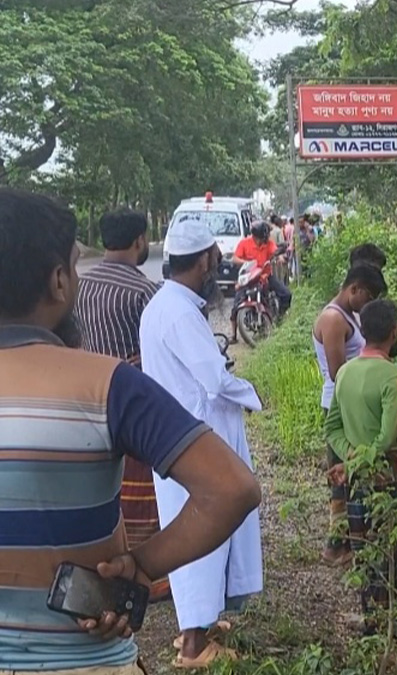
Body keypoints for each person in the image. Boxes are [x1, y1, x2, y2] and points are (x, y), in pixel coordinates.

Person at [0, 189, 260, 674]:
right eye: (75, 265)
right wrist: (142, 566)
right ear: (59, 281)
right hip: (83, 661)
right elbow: (233, 488)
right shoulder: (110, 384)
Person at [141, 217, 266, 667]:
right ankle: (193, 644)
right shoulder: (178, 312)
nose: (218, 266)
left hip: (181, 435)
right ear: (202, 263)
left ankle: (201, 623)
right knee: (201, 533)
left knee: (200, 531)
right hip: (195, 440)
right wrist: (251, 394)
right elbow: (213, 379)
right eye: (215, 258)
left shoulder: (165, 305)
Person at [74, 208, 173, 602]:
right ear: (139, 241)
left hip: (85, 397)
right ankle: (150, 574)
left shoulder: (79, 286)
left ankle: (100, 566)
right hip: (132, 402)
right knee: (143, 494)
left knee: (101, 488)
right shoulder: (145, 291)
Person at [324, 299, 397, 640]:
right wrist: (361, 458)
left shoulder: (344, 373)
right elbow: (387, 438)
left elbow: (332, 428)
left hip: (358, 482)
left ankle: (373, 624)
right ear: (394, 332)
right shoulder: (393, 376)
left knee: (367, 554)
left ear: (362, 331)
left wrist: (350, 457)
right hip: (393, 479)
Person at [314, 264, 389, 566]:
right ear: (354, 288)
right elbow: (338, 373)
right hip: (341, 405)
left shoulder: (348, 315)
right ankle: (336, 545)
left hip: (351, 403)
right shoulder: (333, 319)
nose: (368, 304)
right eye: (368, 296)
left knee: (354, 471)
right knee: (342, 475)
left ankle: (352, 540)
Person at [231, 220, 291, 340]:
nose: (263, 240)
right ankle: (233, 335)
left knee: (286, 294)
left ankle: (279, 319)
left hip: (265, 275)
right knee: (236, 305)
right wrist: (246, 262)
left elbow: (275, 251)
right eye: (261, 238)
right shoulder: (244, 243)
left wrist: (280, 257)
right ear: (255, 236)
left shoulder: (268, 243)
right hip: (249, 278)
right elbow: (235, 258)